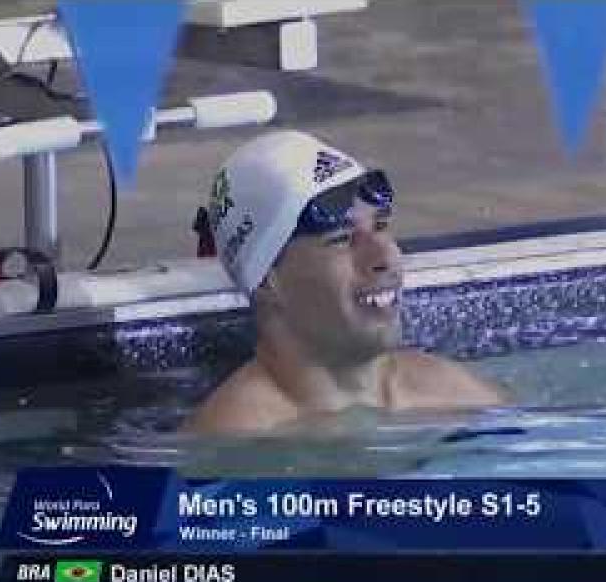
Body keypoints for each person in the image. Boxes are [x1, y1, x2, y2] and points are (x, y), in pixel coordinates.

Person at [185, 130, 507, 434]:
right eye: (341, 239)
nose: (385, 257)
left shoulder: (456, 397)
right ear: (270, 280)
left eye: (380, 226)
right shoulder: (236, 441)